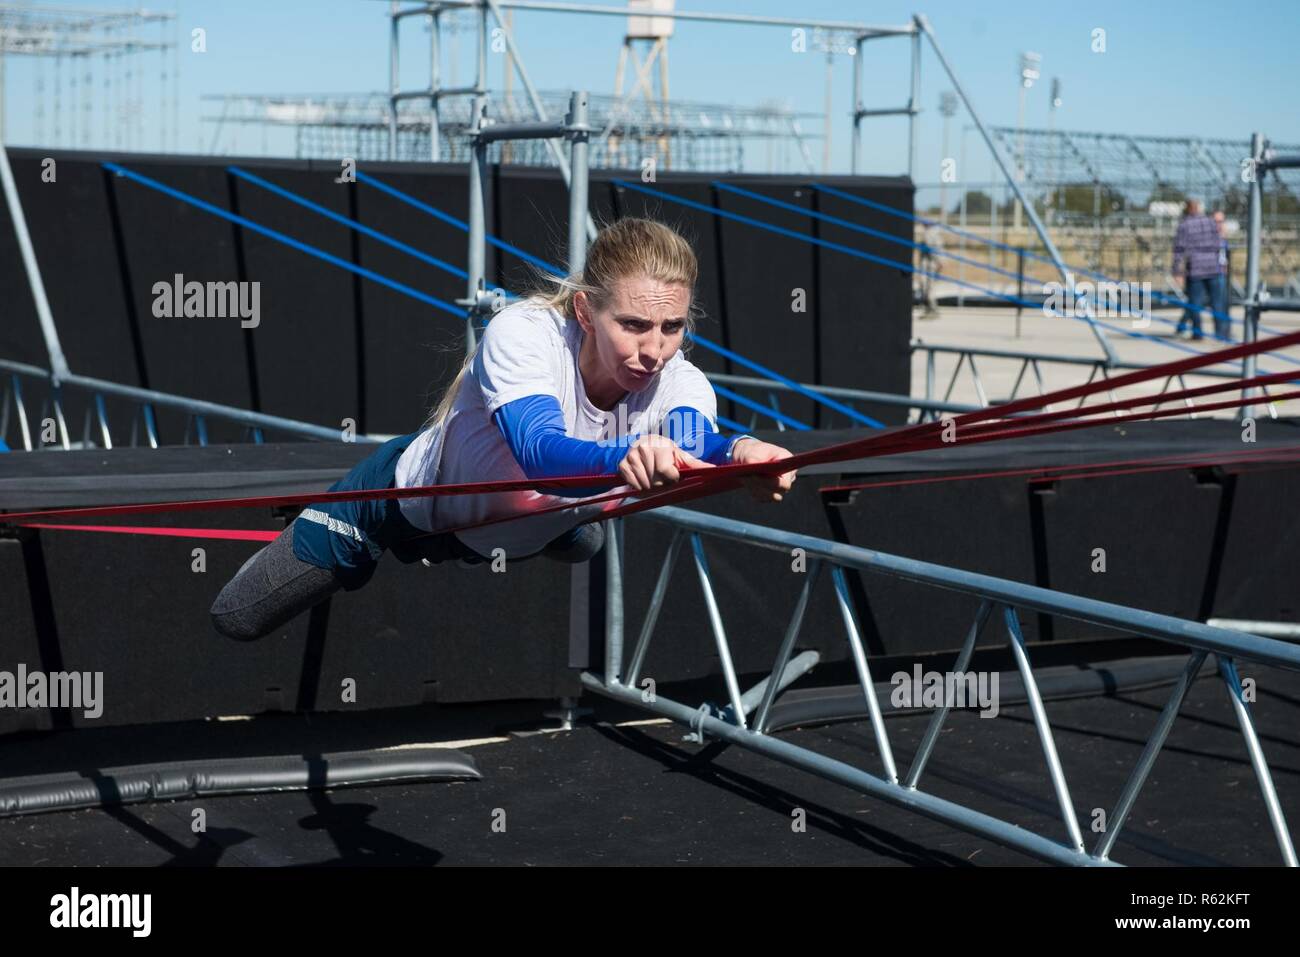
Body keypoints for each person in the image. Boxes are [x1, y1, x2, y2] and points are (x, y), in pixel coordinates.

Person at [210, 217, 797, 641]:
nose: (654, 350)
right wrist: (627, 459)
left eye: (671, 327)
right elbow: (540, 455)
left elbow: (697, 443)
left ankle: (564, 529)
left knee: (574, 527)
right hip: (401, 505)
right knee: (237, 617)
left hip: (520, 523)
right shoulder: (524, 335)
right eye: (634, 324)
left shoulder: (682, 379)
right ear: (585, 312)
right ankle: (566, 528)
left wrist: (745, 453)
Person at [1171, 199, 1224, 341]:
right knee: (1217, 303)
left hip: (1196, 268)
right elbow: (1219, 242)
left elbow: (1179, 249)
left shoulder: (1184, 225)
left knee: (1195, 304)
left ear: (1187, 209)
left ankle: (1198, 333)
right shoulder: (1210, 222)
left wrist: (1177, 271)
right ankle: (1220, 333)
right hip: (1213, 267)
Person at [1212, 209, 1232, 341]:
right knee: (1217, 304)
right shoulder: (1211, 237)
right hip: (1212, 273)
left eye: (1221, 221)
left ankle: (1225, 331)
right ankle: (1220, 332)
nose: (1219, 224)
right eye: (1217, 221)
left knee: (1224, 303)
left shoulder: (1223, 237)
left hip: (1222, 274)